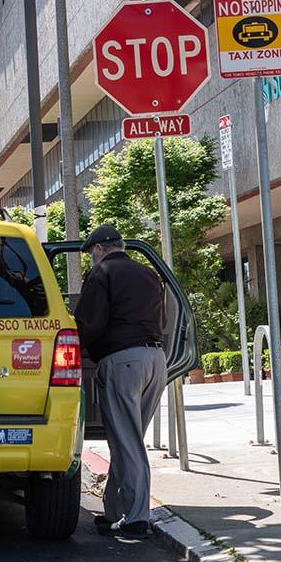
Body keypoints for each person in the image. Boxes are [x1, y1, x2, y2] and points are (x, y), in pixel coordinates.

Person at [74, 224, 167, 540]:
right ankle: (113, 510)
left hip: (123, 361)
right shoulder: (148, 274)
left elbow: (90, 323)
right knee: (127, 438)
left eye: (90, 254)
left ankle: (138, 518)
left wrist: (72, 348)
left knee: (127, 441)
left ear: (99, 249)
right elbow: (165, 321)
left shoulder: (102, 274)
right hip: (156, 359)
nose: (91, 259)